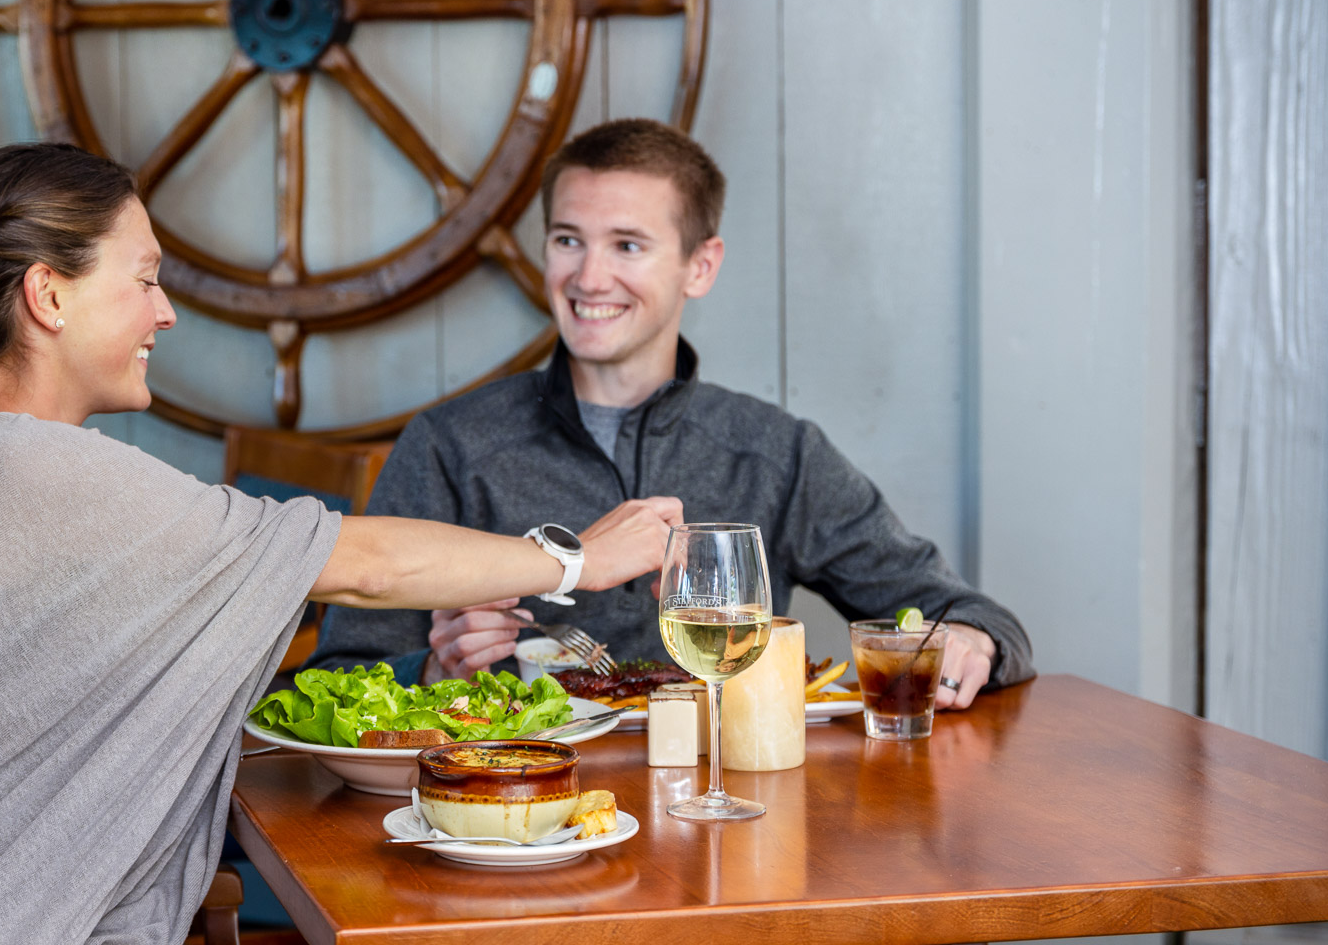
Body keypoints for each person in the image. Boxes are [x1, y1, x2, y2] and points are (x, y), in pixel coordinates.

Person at [0, 142, 680, 944]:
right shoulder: (29, 473)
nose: (167, 312)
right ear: (49, 296)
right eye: (144, 279)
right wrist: (582, 561)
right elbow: (367, 566)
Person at [308, 118, 1033, 707]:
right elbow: (339, 678)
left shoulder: (776, 452)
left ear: (700, 266)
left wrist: (971, 640)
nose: (589, 278)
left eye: (628, 245)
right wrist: (434, 678)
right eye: (568, 241)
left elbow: (970, 617)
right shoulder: (449, 444)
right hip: (516, 829)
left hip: (731, 826)